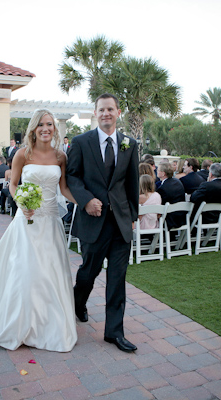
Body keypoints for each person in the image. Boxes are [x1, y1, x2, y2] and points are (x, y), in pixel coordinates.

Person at [0, 108, 78, 352]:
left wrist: (83, 202)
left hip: (50, 221)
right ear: (33, 128)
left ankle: (51, 319)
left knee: (50, 270)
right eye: (41, 124)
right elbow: (13, 183)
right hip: (27, 221)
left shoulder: (61, 157)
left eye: (50, 124)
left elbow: (64, 189)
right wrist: (21, 202)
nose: (46, 129)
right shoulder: (23, 154)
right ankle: (21, 320)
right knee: (26, 269)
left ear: (55, 128)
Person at [66, 93, 139, 353]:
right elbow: (72, 177)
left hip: (120, 223)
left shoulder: (130, 144)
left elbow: (132, 183)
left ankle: (114, 333)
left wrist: (131, 216)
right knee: (89, 272)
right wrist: (86, 201)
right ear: (95, 113)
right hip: (93, 220)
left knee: (118, 279)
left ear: (118, 112)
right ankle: (78, 302)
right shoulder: (80, 142)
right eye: (101, 109)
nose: (106, 113)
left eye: (111, 109)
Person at [156, 161, 186, 230]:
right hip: (181, 217)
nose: (157, 171)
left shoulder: (162, 188)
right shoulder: (178, 182)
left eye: (158, 170)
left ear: (163, 173)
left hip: (170, 220)